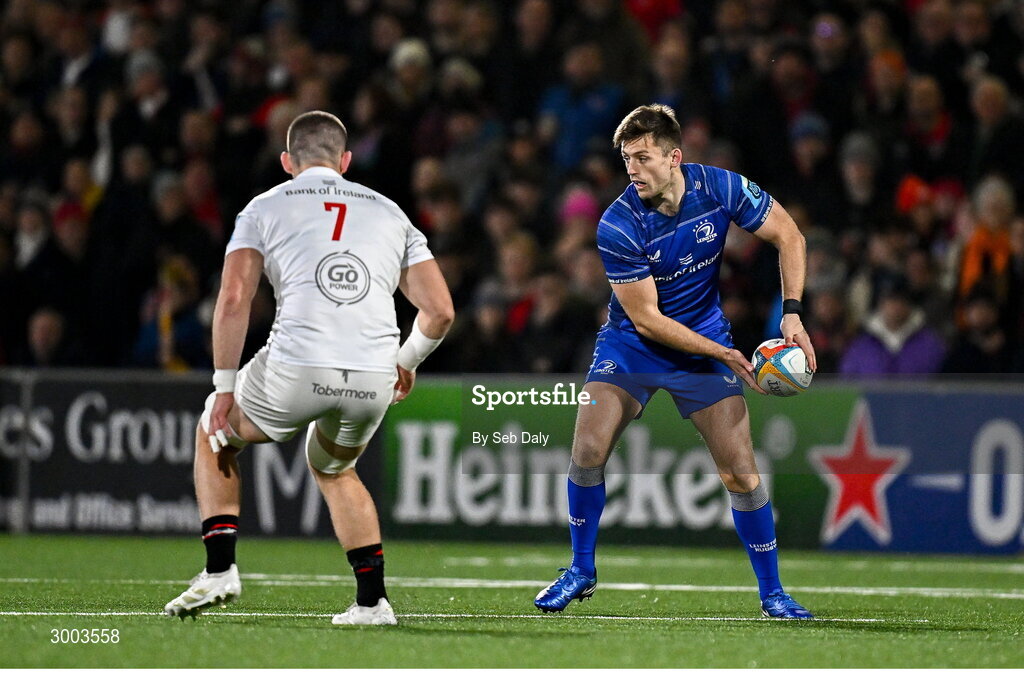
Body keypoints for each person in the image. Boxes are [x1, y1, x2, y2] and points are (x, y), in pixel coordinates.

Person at [163, 111, 454, 626]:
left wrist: (224, 387)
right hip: (371, 374)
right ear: (345, 162)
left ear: (286, 163)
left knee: (215, 429)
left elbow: (233, 299)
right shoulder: (390, 212)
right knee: (335, 468)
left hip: (297, 366)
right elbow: (440, 312)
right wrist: (405, 363)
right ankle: (372, 602)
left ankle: (219, 570)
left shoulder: (264, 206)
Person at [533, 104, 817, 619]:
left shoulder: (722, 188)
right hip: (632, 345)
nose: (631, 169)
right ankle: (580, 568)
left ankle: (773, 592)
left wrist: (792, 315)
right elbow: (646, 321)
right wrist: (724, 353)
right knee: (588, 449)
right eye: (626, 159)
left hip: (704, 337)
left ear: (674, 157)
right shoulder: (617, 224)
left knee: (741, 474)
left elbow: (790, 237)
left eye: (642, 157)